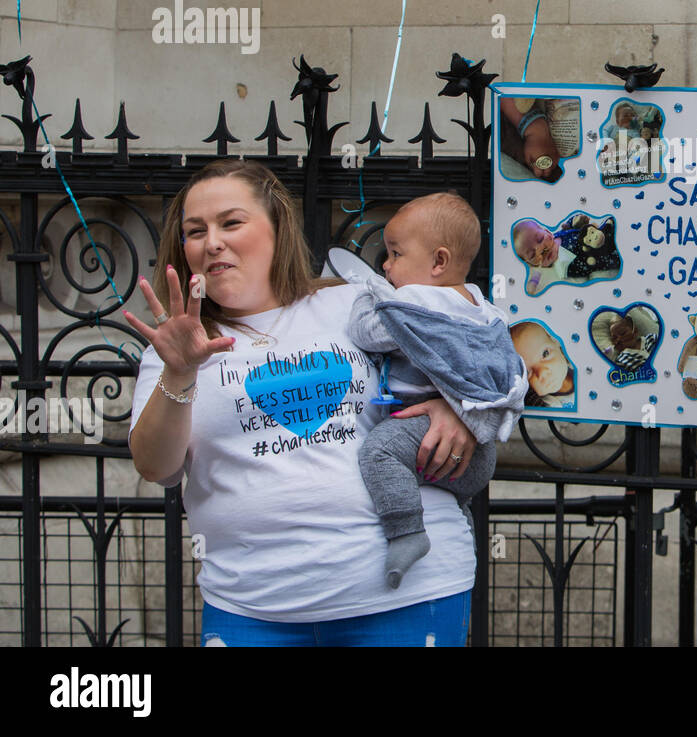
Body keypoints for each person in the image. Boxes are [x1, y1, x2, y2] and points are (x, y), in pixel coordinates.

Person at [126, 160, 479, 647]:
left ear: (277, 229)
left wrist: (457, 408)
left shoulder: (356, 303)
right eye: (195, 231)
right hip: (250, 605)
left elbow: (485, 348)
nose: (211, 242)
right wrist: (181, 371)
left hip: (407, 592)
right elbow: (154, 466)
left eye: (231, 222)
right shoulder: (174, 348)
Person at [346, 193, 526, 590]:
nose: (387, 265)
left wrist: (366, 292)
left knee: (379, 450)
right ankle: (459, 516)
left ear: (438, 262)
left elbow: (368, 333)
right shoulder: (482, 308)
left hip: (426, 431)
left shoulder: (416, 302)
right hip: (479, 452)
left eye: (394, 254)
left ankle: (406, 531)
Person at [510, 321, 575, 408]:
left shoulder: (579, 364)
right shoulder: (549, 405)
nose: (542, 373)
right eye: (528, 372)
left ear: (556, 342)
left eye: (545, 354)